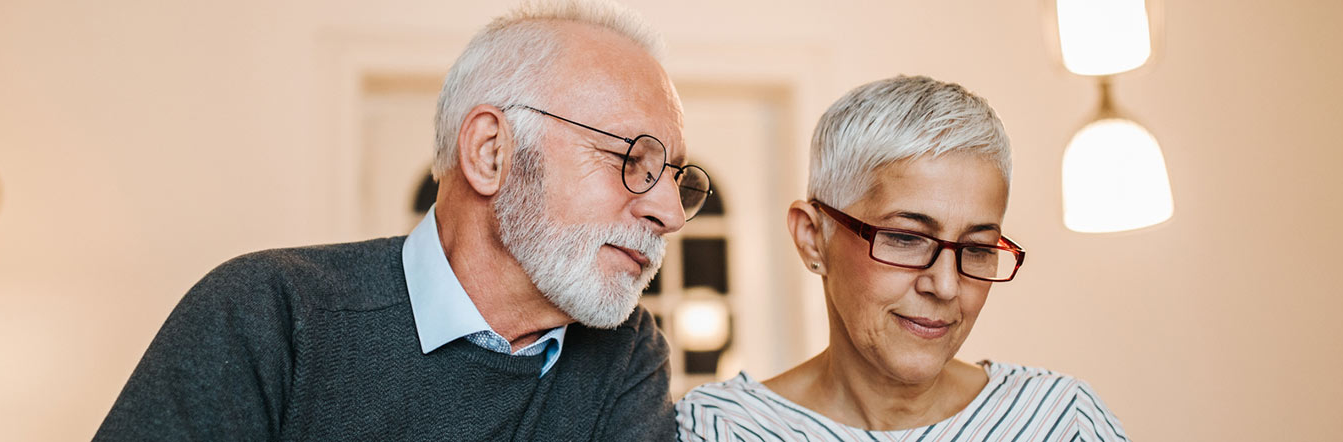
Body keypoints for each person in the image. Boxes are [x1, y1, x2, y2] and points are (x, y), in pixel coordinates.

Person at [95, 0, 713, 440]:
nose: (670, 213)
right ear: (491, 153)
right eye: (632, 160)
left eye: (677, 178)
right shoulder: (267, 314)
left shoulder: (627, 354)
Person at [675, 76, 1128, 441]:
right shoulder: (721, 429)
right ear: (813, 238)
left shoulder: (1063, 421)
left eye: (977, 249)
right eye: (907, 238)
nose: (946, 286)